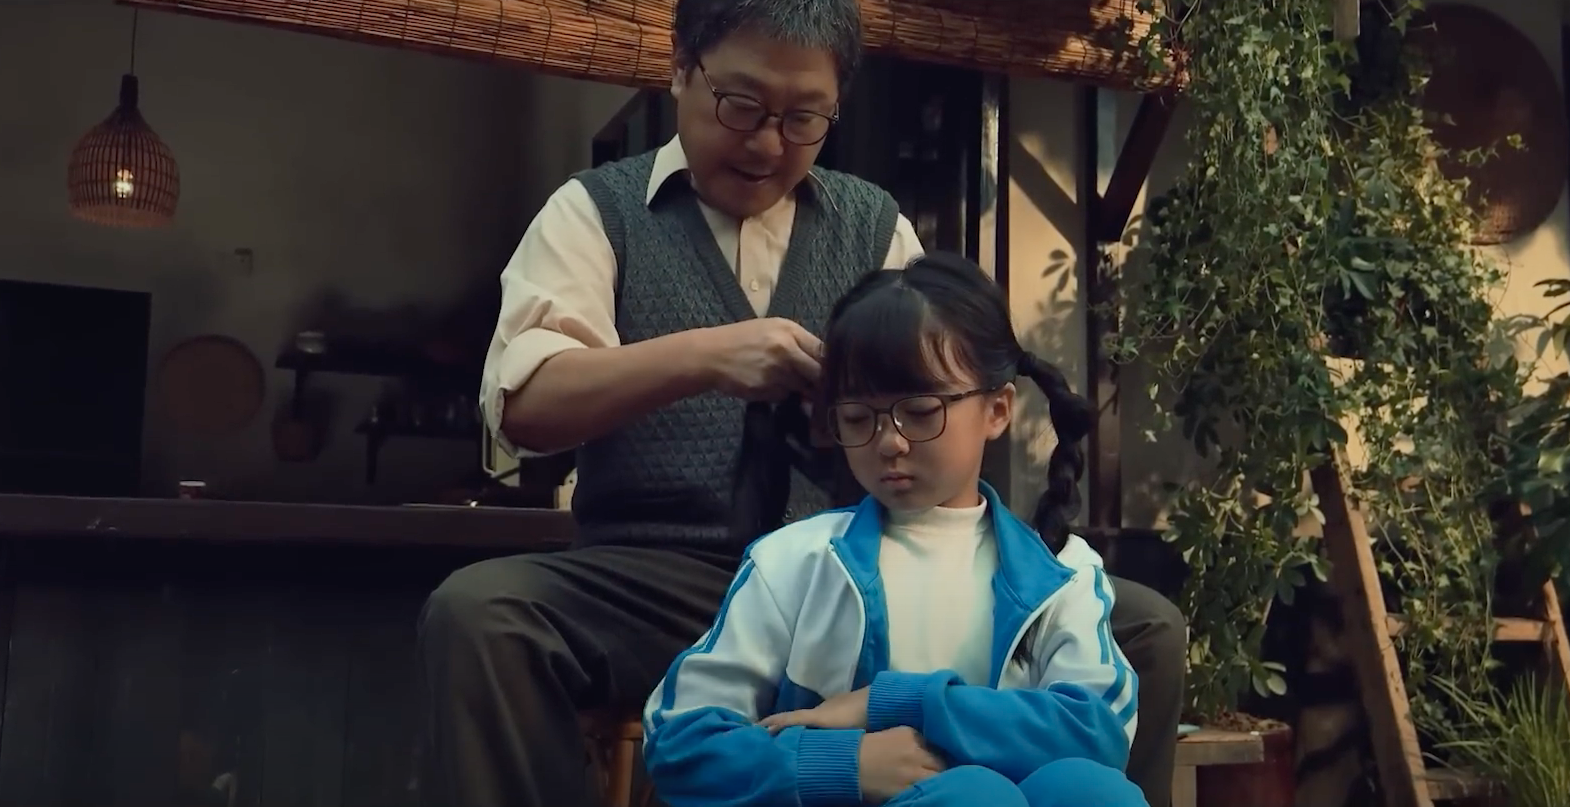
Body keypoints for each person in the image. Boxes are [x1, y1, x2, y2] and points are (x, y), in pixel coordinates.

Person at [417, 0, 1185, 804]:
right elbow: (526, 405)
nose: (767, 142)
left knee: (1143, 631)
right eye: (741, 105)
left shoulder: (873, 225)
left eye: (804, 117)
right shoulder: (594, 213)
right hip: (656, 579)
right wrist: (708, 356)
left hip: (853, 571)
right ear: (681, 66)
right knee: (481, 615)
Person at [642, 252, 1147, 807]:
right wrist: (845, 763)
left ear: (998, 410)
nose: (890, 442)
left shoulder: (1062, 571)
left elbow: (1100, 731)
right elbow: (680, 740)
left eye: (921, 411)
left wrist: (899, 704)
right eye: (859, 418)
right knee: (973, 797)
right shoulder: (795, 562)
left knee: (1090, 789)